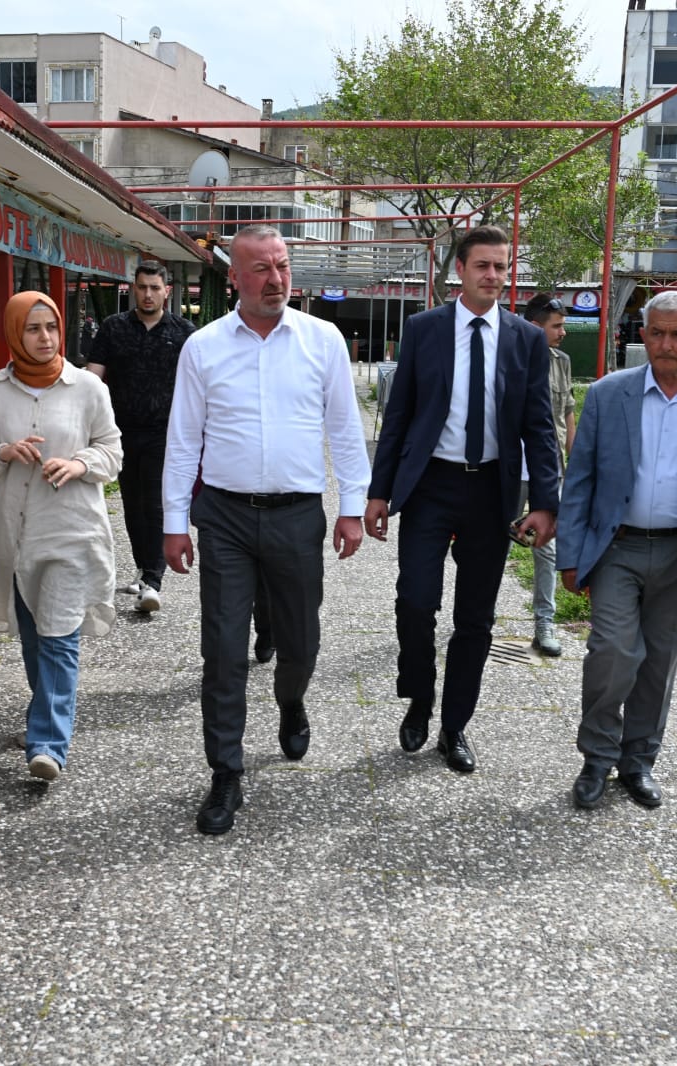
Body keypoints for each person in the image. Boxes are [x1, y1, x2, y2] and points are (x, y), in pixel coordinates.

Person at [163, 224, 370, 835]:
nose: (276, 279)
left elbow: (345, 431)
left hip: (297, 515)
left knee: (301, 641)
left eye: (282, 266)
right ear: (234, 278)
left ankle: (291, 699)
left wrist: (351, 507)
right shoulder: (203, 348)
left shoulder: (323, 340)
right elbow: (183, 443)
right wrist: (175, 523)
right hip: (224, 516)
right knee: (224, 649)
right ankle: (225, 770)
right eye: (261, 269)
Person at [364, 225, 561, 775]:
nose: (493, 277)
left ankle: (454, 726)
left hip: (490, 490)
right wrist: (379, 493)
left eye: (501, 267)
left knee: (475, 618)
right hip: (430, 485)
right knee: (414, 601)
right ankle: (420, 695)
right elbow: (398, 418)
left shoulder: (525, 339)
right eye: (483, 266)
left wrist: (546, 502)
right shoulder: (424, 329)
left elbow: (539, 427)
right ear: (460, 270)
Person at [557, 290, 677, 811]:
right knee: (614, 654)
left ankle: (638, 762)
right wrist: (571, 554)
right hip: (617, 549)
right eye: (657, 333)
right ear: (641, 334)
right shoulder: (608, 395)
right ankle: (597, 759)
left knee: (659, 665)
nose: (665, 345)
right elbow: (580, 481)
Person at [0, 291, 122, 783]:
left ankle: (49, 742)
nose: (45, 338)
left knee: (59, 636)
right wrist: (4, 452)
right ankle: (43, 719)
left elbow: (112, 452)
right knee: (34, 636)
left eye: (51, 327)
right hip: (13, 534)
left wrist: (79, 463)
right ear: (13, 334)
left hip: (72, 530)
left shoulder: (87, 388)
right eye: (32, 329)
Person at [86, 261, 195, 614]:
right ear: (133, 288)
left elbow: (198, 386)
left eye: (155, 288)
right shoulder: (114, 328)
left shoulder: (184, 333)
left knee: (155, 503)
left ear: (167, 291)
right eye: (142, 287)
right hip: (121, 432)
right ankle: (143, 567)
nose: (148, 294)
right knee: (132, 505)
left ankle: (153, 580)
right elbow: (93, 379)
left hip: (165, 433)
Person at [519, 294, 577, 658]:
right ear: (535, 327)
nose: (564, 332)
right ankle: (481, 617)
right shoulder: (507, 356)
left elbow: (567, 414)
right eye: (556, 325)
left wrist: (577, 467)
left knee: (547, 548)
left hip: (549, 468)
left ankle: (545, 623)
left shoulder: (562, 362)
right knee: (491, 545)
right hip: (508, 468)